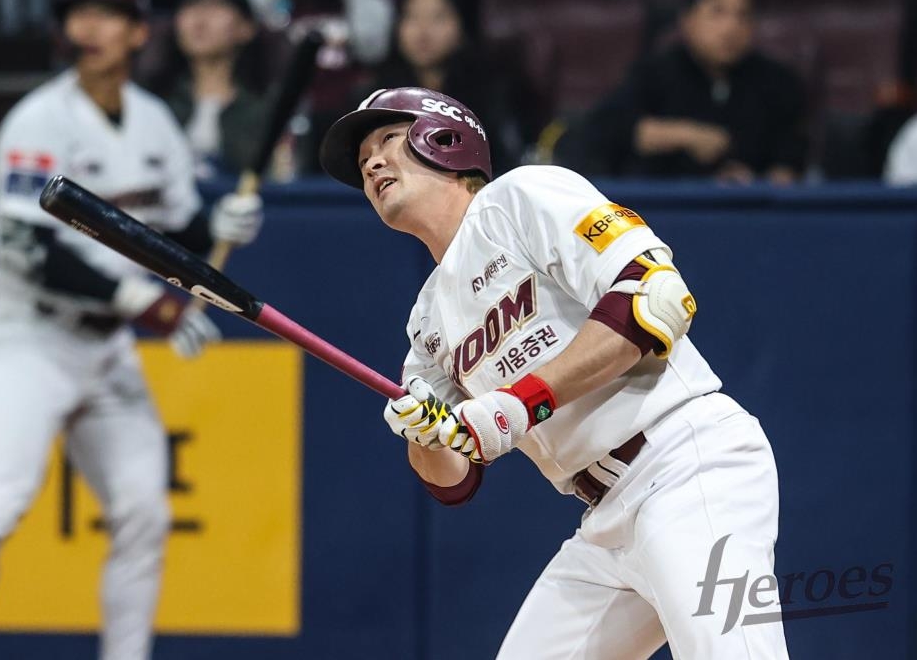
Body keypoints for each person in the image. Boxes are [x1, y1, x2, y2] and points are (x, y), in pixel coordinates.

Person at [319, 86, 789, 659]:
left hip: (686, 464)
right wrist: (425, 435)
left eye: (387, 139)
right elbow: (454, 481)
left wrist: (517, 403)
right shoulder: (426, 321)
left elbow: (658, 299)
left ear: (442, 138)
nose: (371, 162)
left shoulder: (521, 196)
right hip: (606, 520)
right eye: (363, 158)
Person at [0, 0, 262, 659]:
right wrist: (140, 298)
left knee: (144, 512)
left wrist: (216, 227)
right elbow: (25, 247)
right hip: (32, 336)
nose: (88, 29)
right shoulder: (40, 117)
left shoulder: (153, 118)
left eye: (106, 14)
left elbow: (171, 229)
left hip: (105, 348)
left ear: (139, 32)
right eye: (77, 15)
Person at [556, 0, 806, 183]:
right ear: (687, 21)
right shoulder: (654, 73)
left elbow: (791, 161)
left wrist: (760, 183)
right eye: (716, 12)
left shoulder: (777, 81)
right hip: (666, 210)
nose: (731, 27)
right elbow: (604, 130)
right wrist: (683, 134)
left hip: (749, 216)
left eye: (743, 16)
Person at [365, 0, 541, 173]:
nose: (422, 31)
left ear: (463, 25)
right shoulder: (376, 96)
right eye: (411, 17)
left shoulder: (494, 90)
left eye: (438, 17)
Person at [160, 0, 272, 177]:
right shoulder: (155, 104)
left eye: (216, 5)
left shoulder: (269, 108)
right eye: (190, 5)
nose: (199, 19)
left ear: (247, 27)